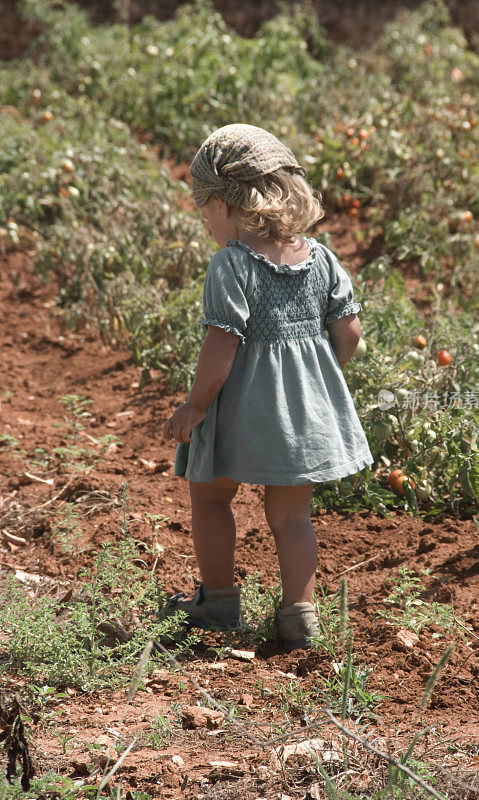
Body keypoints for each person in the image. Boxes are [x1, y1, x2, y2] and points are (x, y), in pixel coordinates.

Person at [161, 123, 373, 650]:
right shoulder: (321, 259)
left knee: (210, 497)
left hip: (235, 410)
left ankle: (218, 603)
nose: (206, 223)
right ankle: (300, 617)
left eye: (205, 210)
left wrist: (194, 405)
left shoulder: (232, 264)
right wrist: (314, 379)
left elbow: (221, 348)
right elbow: (349, 333)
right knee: (292, 515)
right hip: (302, 414)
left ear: (227, 204)